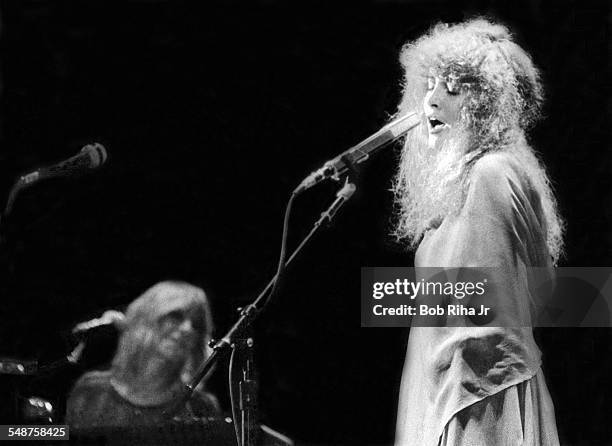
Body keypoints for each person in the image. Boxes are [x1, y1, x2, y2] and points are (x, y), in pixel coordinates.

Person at [392, 19, 563, 445]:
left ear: (486, 101)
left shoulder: (491, 173)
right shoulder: (464, 184)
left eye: (452, 87)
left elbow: (485, 327)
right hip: (446, 394)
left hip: (477, 402)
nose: (431, 99)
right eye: (429, 84)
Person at [66, 281, 220, 429]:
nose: (188, 328)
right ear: (146, 320)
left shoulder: (199, 406)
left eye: (197, 324)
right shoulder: (91, 391)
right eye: (176, 316)